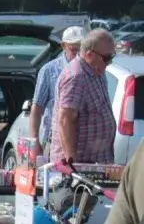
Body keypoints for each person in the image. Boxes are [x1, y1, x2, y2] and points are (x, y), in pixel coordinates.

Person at [50, 28, 117, 166]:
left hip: (97, 163)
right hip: (81, 168)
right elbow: (65, 120)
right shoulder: (76, 76)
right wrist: (72, 164)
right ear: (90, 54)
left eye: (112, 57)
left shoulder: (97, 71)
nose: (109, 63)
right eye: (107, 58)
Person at [30, 26, 85, 152]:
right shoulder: (50, 70)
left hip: (82, 143)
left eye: (82, 49)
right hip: (55, 141)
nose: (79, 55)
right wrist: (34, 141)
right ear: (64, 46)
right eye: (74, 50)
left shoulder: (90, 70)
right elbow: (37, 107)